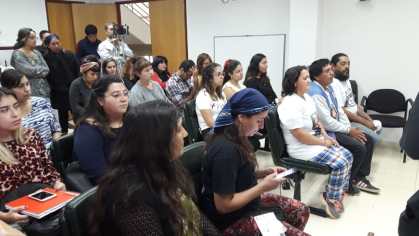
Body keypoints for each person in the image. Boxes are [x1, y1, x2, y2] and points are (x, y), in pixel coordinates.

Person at [90, 100, 220, 235]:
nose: (185, 133)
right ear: (158, 140)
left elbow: (195, 217)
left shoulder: (165, 165)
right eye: (178, 130)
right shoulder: (130, 197)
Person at [201, 88, 310, 235]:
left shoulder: (235, 137)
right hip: (232, 220)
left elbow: (236, 174)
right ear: (241, 117)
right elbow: (224, 205)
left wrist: (262, 174)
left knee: (301, 210)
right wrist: (263, 187)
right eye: (259, 121)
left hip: (247, 205)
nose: (262, 126)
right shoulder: (225, 151)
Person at [278, 66, 353, 219]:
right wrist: (322, 143)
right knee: (340, 163)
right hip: (302, 148)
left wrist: (327, 137)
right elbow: (299, 135)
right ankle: (331, 198)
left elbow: (317, 122)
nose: (309, 81)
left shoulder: (307, 98)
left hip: (314, 142)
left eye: (308, 78)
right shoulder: (289, 104)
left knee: (348, 155)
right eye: (305, 78)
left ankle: (336, 192)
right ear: (294, 83)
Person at [308, 58, 379, 194]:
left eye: (331, 70)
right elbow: (327, 122)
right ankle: (348, 182)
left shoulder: (328, 88)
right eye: (327, 71)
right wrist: (348, 130)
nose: (331, 73)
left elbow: (339, 110)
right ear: (317, 76)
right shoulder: (316, 93)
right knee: (359, 147)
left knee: (368, 140)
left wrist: (350, 128)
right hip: (327, 132)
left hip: (337, 127)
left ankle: (359, 177)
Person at [0, 87, 64, 203]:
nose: (15, 114)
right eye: (4, 110)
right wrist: (4, 217)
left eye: (16, 106)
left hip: (45, 200)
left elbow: (48, 169)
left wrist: (57, 182)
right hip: (11, 214)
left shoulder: (30, 135)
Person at [73, 76, 128, 183]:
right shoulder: (88, 130)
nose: (123, 99)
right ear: (100, 100)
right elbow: (99, 175)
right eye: (116, 95)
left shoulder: (131, 119)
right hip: (113, 186)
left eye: (125, 93)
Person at [0, 69, 62, 148]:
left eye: (27, 84)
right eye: (20, 86)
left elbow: (56, 129)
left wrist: (55, 146)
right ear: (8, 90)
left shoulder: (41, 102)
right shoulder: (9, 114)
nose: (27, 89)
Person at [330, 53, 382, 144]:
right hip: (347, 121)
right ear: (333, 66)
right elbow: (343, 111)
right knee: (374, 138)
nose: (347, 67)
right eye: (343, 64)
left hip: (355, 117)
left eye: (348, 64)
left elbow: (354, 105)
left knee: (377, 125)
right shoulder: (333, 84)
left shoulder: (346, 81)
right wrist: (366, 123)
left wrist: (370, 120)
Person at [44, 34, 79, 134]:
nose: (56, 46)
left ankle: (80, 128)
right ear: (48, 45)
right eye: (53, 44)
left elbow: (76, 68)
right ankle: (64, 132)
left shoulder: (68, 53)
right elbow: (48, 76)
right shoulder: (46, 58)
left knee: (75, 110)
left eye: (57, 43)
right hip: (58, 89)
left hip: (72, 86)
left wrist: (76, 83)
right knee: (62, 112)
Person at [10, 28, 50, 99]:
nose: (35, 40)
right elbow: (27, 71)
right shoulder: (17, 54)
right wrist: (40, 71)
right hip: (29, 91)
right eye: (32, 38)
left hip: (44, 90)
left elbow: (47, 69)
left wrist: (36, 71)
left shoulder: (37, 52)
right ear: (23, 39)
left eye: (35, 37)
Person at [195, 63, 226, 138]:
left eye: (223, 74)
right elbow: (210, 123)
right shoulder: (202, 96)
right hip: (210, 131)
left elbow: (226, 113)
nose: (222, 77)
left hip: (222, 128)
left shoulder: (221, 93)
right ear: (210, 78)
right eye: (218, 74)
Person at [69, 55, 100, 122]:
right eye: (92, 74)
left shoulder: (97, 83)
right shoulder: (76, 84)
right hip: (82, 118)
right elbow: (75, 107)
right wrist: (89, 115)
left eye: (97, 74)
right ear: (84, 73)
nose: (95, 77)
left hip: (97, 116)